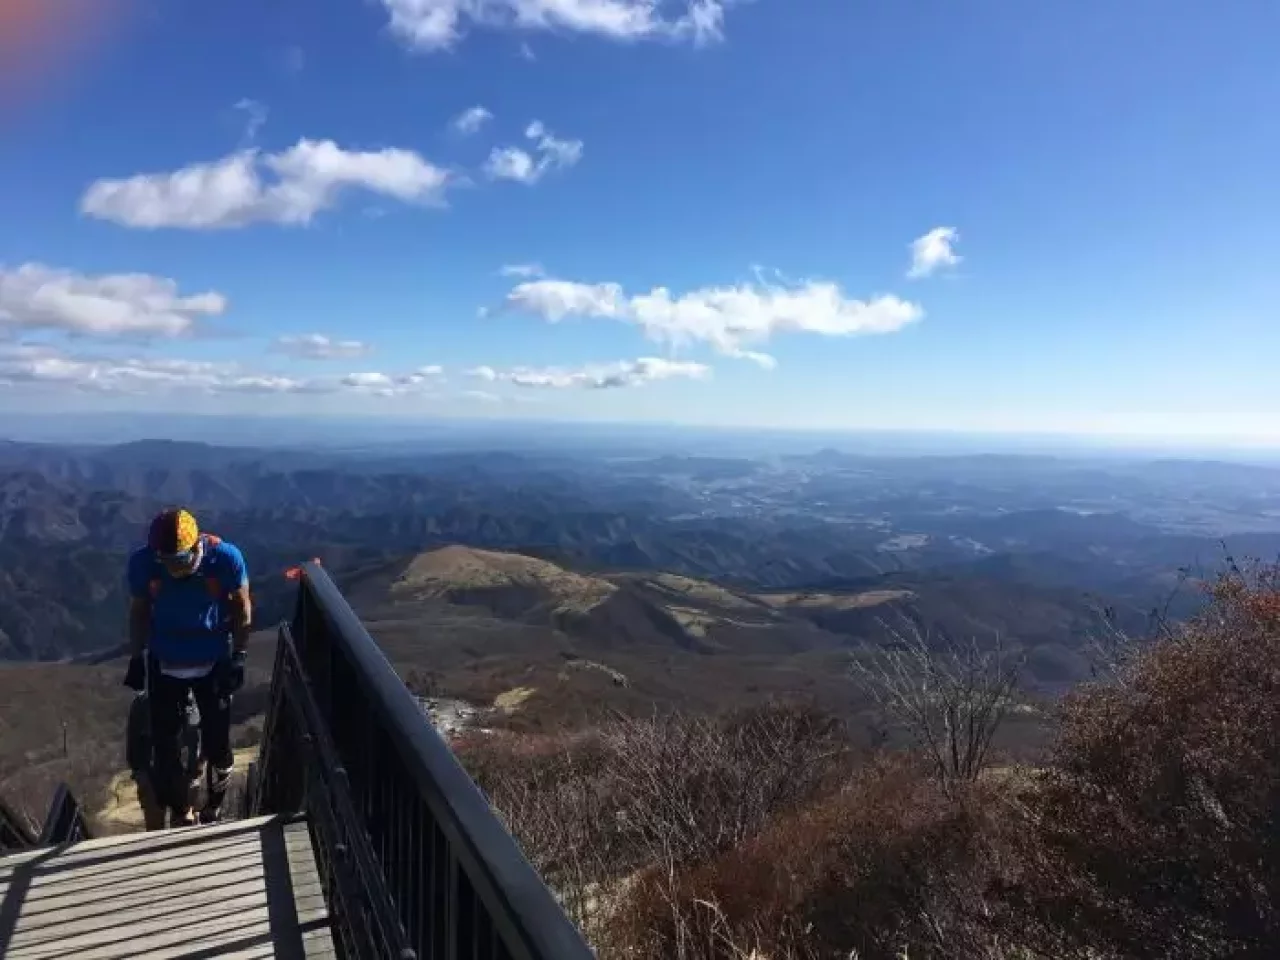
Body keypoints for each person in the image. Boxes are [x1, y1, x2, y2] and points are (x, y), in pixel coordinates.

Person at [124, 508, 251, 827]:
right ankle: (183, 813)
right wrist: (137, 657)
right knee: (164, 747)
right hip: (164, 661)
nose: (174, 569)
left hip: (212, 659)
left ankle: (215, 806)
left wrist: (240, 655)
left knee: (217, 743)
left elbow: (241, 608)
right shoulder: (144, 564)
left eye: (180, 561)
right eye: (167, 562)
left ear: (198, 547)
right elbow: (139, 611)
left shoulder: (223, 559)